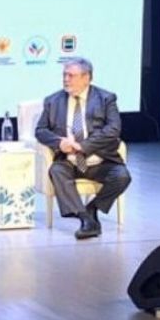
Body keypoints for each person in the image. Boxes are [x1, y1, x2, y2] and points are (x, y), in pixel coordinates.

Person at [35, 56, 131, 239]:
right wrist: (60, 143)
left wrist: (83, 146)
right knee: (56, 171)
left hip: (100, 160)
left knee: (122, 176)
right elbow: (40, 130)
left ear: (86, 78)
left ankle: (92, 208)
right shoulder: (53, 101)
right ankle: (85, 218)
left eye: (71, 76)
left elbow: (113, 129)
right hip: (69, 162)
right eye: (64, 75)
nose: (66, 79)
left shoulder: (106, 99)